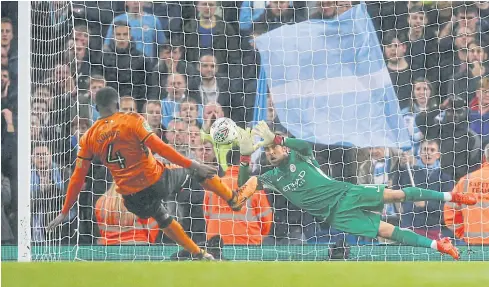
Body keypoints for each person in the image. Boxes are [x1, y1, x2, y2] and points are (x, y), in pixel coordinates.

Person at [47, 87, 253, 260]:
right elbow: (161, 148)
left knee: (162, 217)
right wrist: (192, 164)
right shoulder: (132, 120)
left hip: (132, 198)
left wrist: (65, 210)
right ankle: (233, 198)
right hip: (156, 180)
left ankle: (198, 253)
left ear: (95, 108)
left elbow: (77, 176)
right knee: (197, 171)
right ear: (117, 104)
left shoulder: (88, 137)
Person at [235, 121, 479, 260]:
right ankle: (440, 246)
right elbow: (242, 187)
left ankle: (452, 196)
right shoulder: (271, 177)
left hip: (345, 192)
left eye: (273, 150)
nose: (271, 153)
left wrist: (278, 139)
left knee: (395, 194)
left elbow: (302, 143)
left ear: (283, 150)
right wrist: (245, 157)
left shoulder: (301, 156)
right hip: (336, 216)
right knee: (387, 230)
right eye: (266, 152)